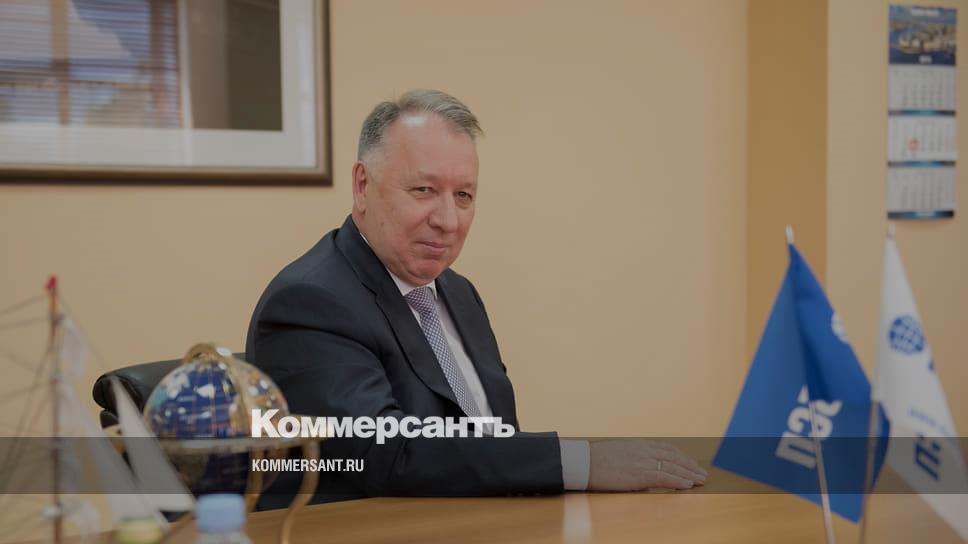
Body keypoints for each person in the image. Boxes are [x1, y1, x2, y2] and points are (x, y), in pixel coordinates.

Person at [246, 89, 706, 503]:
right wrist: (582, 463)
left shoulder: (457, 292)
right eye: (424, 190)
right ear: (362, 185)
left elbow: (495, 441)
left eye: (463, 196)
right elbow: (386, 454)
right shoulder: (311, 301)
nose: (448, 220)